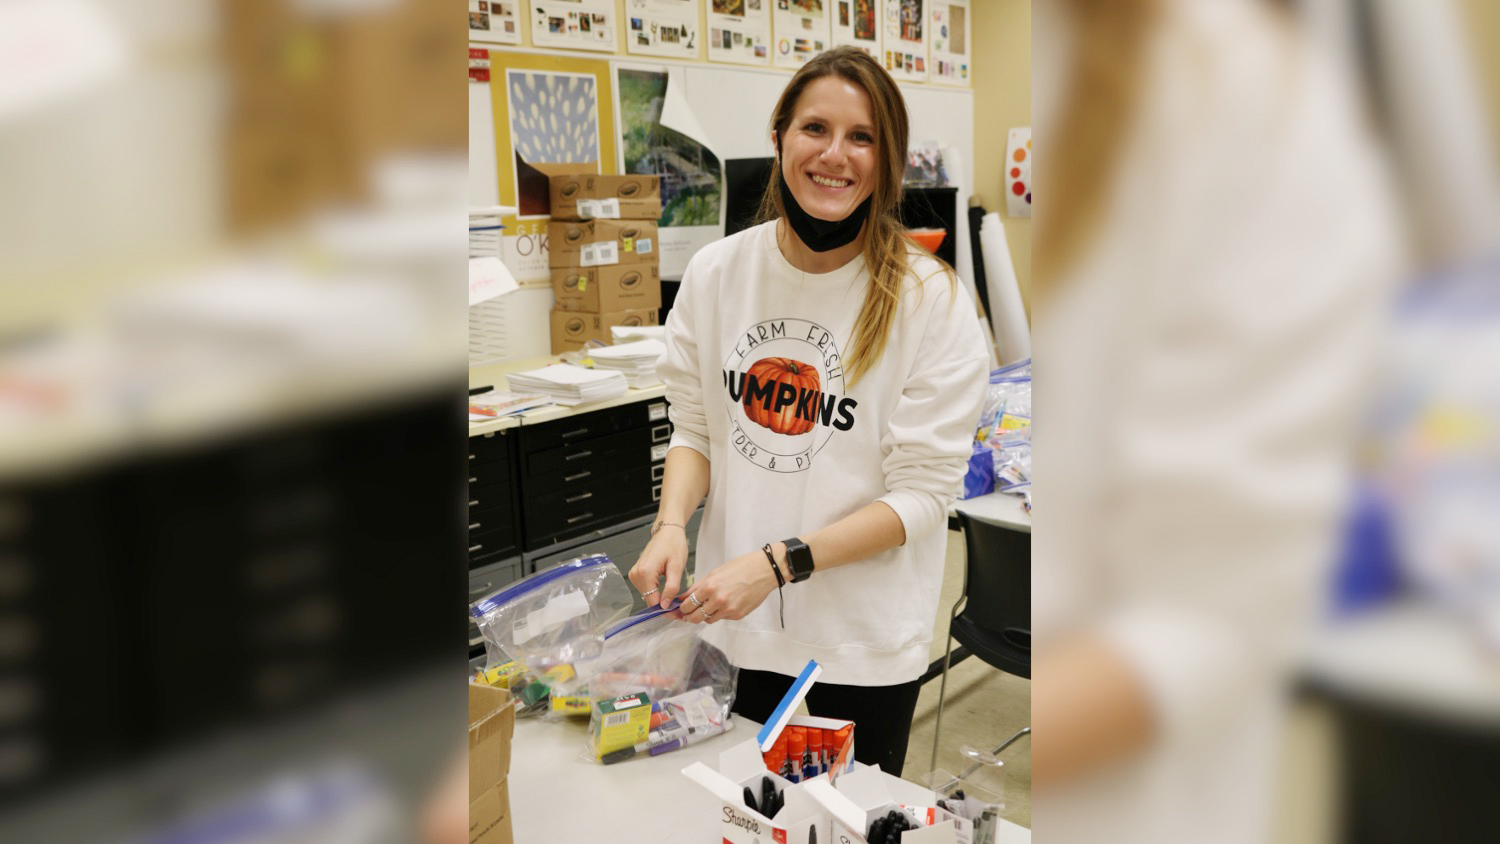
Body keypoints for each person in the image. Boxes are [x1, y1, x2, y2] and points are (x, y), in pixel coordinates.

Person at [628, 46, 989, 776]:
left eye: (862, 137)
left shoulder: (933, 301)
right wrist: (672, 525)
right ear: (779, 138)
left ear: (888, 162)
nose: (836, 154)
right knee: (734, 815)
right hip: (729, 626)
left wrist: (778, 563)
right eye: (815, 128)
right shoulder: (718, 273)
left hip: (858, 647)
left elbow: (921, 499)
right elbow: (696, 427)